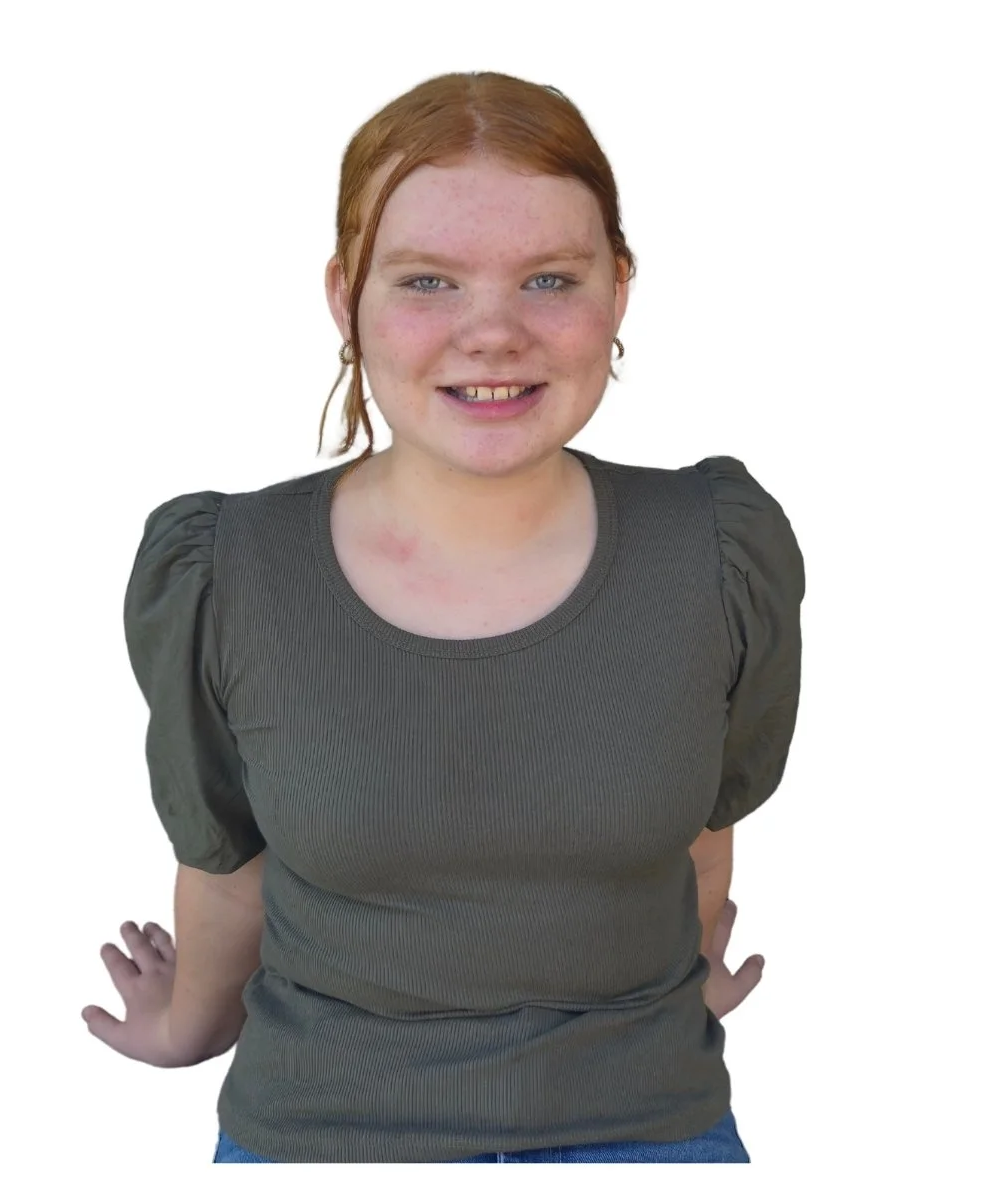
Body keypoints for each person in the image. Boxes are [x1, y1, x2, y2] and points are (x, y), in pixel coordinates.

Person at [81, 70, 805, 1164]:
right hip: (325, 1141)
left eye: (550, 279)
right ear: (345, 297)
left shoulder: (716, 552)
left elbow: (705, 824)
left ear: (620, 286)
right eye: (429, 281)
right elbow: (227, 857)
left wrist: (686, 970)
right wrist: (190, 1024)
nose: (494, 334)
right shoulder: (226, 573)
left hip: (651, 1132)